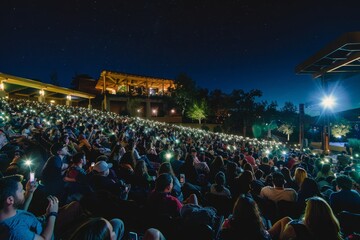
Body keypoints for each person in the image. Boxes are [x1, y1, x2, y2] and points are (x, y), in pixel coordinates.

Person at [0, 174, 59, 240]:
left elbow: (21, 212)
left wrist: (30, 191)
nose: (24, 191)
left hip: (40, 221)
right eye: (21, 190)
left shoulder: (8, 212)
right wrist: (52, 214)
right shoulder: (16, 231)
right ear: (10, 200)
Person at [269, 196, 342, 240]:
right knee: (286, 219)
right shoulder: (333, 226)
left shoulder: (295, 228)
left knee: (286, 220)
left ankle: (264, 235)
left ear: (308, 211)